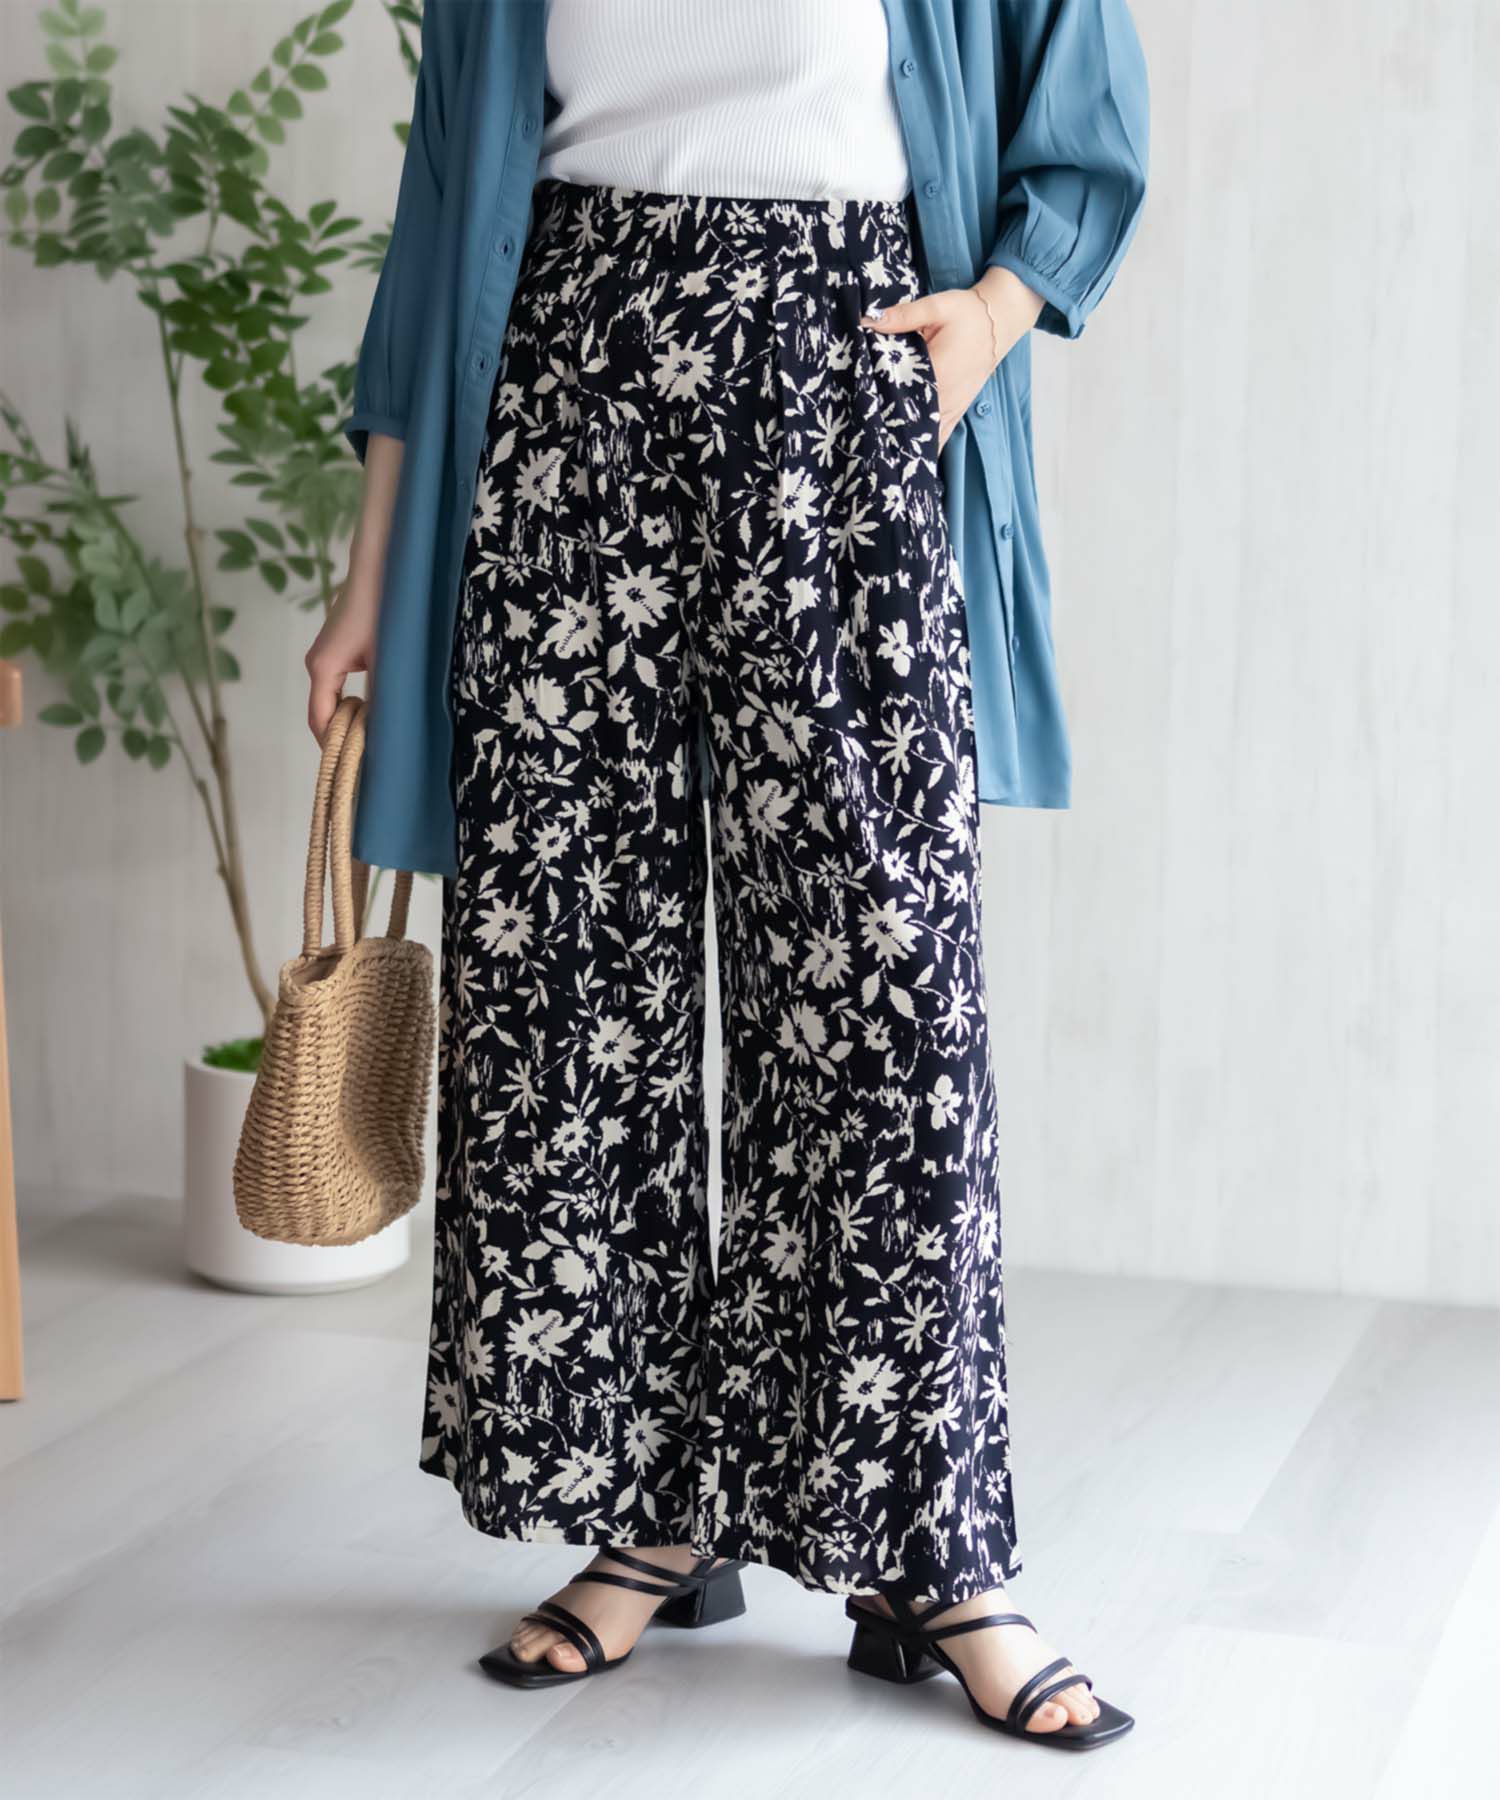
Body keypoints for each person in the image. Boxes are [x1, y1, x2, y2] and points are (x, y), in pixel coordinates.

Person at [306, 0, 1148, 1753]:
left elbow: (1086, 114)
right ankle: (650, 1512)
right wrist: (372, 570)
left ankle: (930, 1554)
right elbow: (442, 207)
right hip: (564, 374)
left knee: (881, 990)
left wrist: (995, 316)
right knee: (569, 989)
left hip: (848, 369)